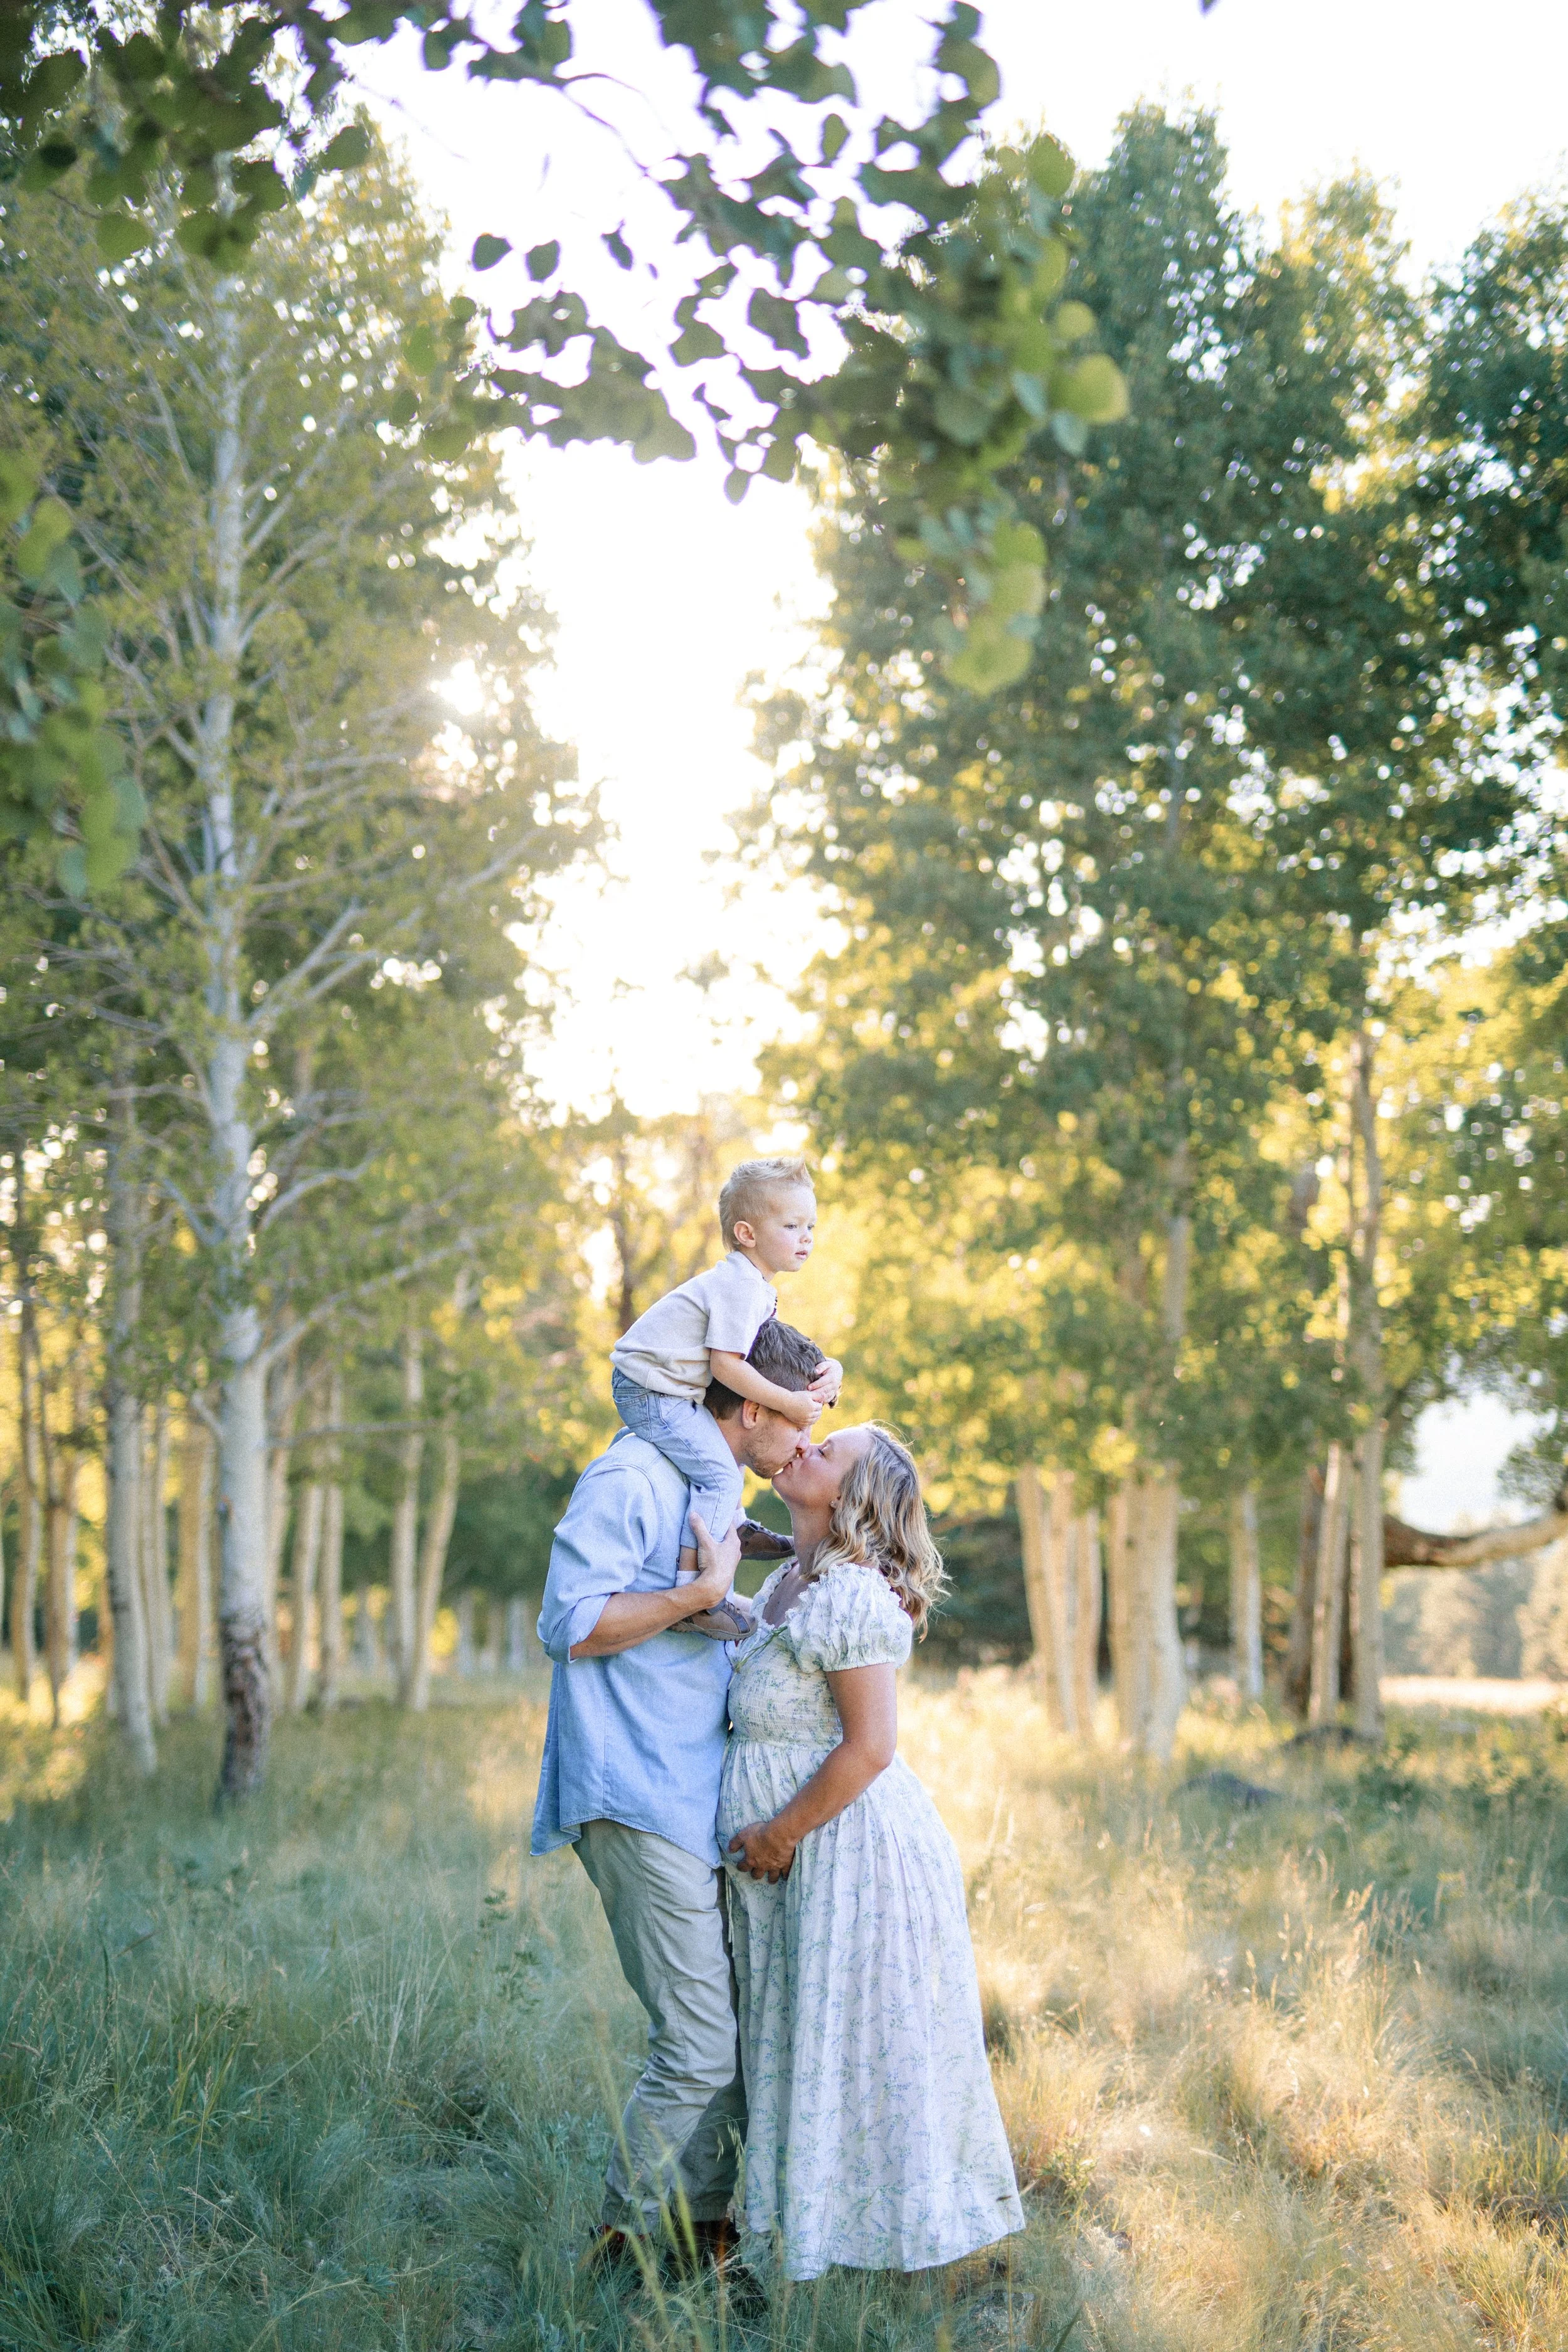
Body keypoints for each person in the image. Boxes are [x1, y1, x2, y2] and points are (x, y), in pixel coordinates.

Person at [531, 1318, 829, 2274]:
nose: (808, 1438)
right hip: (633, 1788)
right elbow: (571, 1622)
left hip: (691, 1793)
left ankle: (706, 2239)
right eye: (800, 1419)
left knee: (730, 2028)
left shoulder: (711, 1482)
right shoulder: (630, 1478)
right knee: (698, 2042)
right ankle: (613, 2250)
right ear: (750, 1408)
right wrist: (699, 1596)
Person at [719, 1422, 1025, 2283]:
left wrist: (780, 1832)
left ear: (852, 1497)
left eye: (830, 1451)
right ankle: (798, 2240)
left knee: (850, 2041)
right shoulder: (789, 1577)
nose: (805, 1446)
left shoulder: (850, 1594)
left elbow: (871, 1746)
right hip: (799, 1855)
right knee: (800, 2036)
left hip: (843, 1848)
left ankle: (861, 2258)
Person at [610, 1156, 841, 1608]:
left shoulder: (752, 1285)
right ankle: (694, 1594)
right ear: (747, 1234)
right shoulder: (740, 1286)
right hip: (649, 1388)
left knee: (725, 1450)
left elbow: (774, 1352)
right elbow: (728, 1368)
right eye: (792, 1225)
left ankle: (733, 1528)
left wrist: (832, 1371)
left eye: (810, 1225)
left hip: (667, 1388)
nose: (807, 1237)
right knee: (719, 1473)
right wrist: (791, 1405)